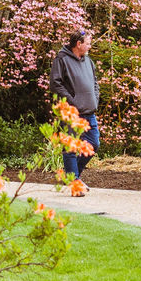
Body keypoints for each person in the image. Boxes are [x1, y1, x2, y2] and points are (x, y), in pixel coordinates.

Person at [48, 31, 99, 181]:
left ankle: (71, 176)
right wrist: (72, 101)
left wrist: (95, 98)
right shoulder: (61, 59)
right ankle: (74, 181)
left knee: (93, 144)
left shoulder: (88, 60)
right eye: (88, 43)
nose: (90, 46)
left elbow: (95, 82)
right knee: (70, 148)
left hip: (89, 110)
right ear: (78, 44)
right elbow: (55, 84)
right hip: (70, 112)